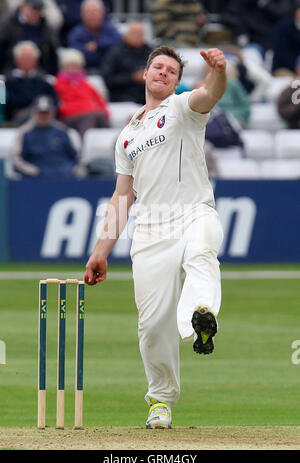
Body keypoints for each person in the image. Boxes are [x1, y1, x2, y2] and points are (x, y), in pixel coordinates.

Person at [85, 45, 227, 429]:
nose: (163, 73)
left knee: (202, 254)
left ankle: (201, 319)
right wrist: (100, 252)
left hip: (195, 211)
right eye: (157, 67)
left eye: (171, 71)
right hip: (150, 230)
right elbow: (121, 196)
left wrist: (218, 71)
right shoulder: (127, 135)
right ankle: (160, 403)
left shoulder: (182, 109)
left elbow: (210, 94)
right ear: (145, 74)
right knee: (151, 326)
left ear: (177, 82)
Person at [13, 95, 78, 178]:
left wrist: (71, 169)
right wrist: (33, 171)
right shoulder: (25, 132)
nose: (43, 116)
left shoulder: (63, 131)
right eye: (41, 112)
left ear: (53, 113)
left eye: (46, 112)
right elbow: (17, 159)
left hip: (64, 175)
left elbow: (74, 156)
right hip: (36, 179)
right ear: (34, 113)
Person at [54, 48, 110, 138]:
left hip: (88, 113)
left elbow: (99, 99)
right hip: (68, 117)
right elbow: (58, 104)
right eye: (70, 66)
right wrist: (83, 108)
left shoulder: (85, 83)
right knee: (88, 117)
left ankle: (110, 144)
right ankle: (85, 146)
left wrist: (104, 111)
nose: (73, 69)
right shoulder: (58, 84)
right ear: (64, 67)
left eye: (75, 66)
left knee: (101, 115)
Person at [0, 0, 58, 75]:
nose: (36, 12)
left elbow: (52, 53)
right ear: (23, 8)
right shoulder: (7, 24)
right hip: (10, 69)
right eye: (33, 8)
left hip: (39, 71)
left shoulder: (45, 26)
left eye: (39, 9)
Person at [5, 41, 58, 124]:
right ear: (16, 60)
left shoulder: (44, 81)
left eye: (29, 58)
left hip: (41, 118)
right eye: (24, 57)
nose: (26, 61)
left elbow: (53, 101)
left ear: (36, 60)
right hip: (14, 120)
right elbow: (8, 102)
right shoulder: (7, 81)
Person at [101, 21, 153, 105]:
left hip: (147, 96)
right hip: (123, 98)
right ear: (126, 35)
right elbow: (108, 79)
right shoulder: (115, 53)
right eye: (134, 34)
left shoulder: (150, 52)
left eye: (140, 34)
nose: (138, 37)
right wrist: (132, 78)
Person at [67, 0, 121, 73]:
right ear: (82, 14)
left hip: (110, 73)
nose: (92, 15)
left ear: (103, 13)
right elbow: (77, 54)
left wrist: (98, 45)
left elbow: (119, 45)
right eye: (89, 12)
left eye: (95, 11)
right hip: (84, 73)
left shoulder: (111, 29)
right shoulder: (75, 33)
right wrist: (103, 51)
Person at [272, 1, 300, 76]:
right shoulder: (283, 28)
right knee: (294, 85)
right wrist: (296, 66)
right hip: (284, 68)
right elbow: (281, 53)